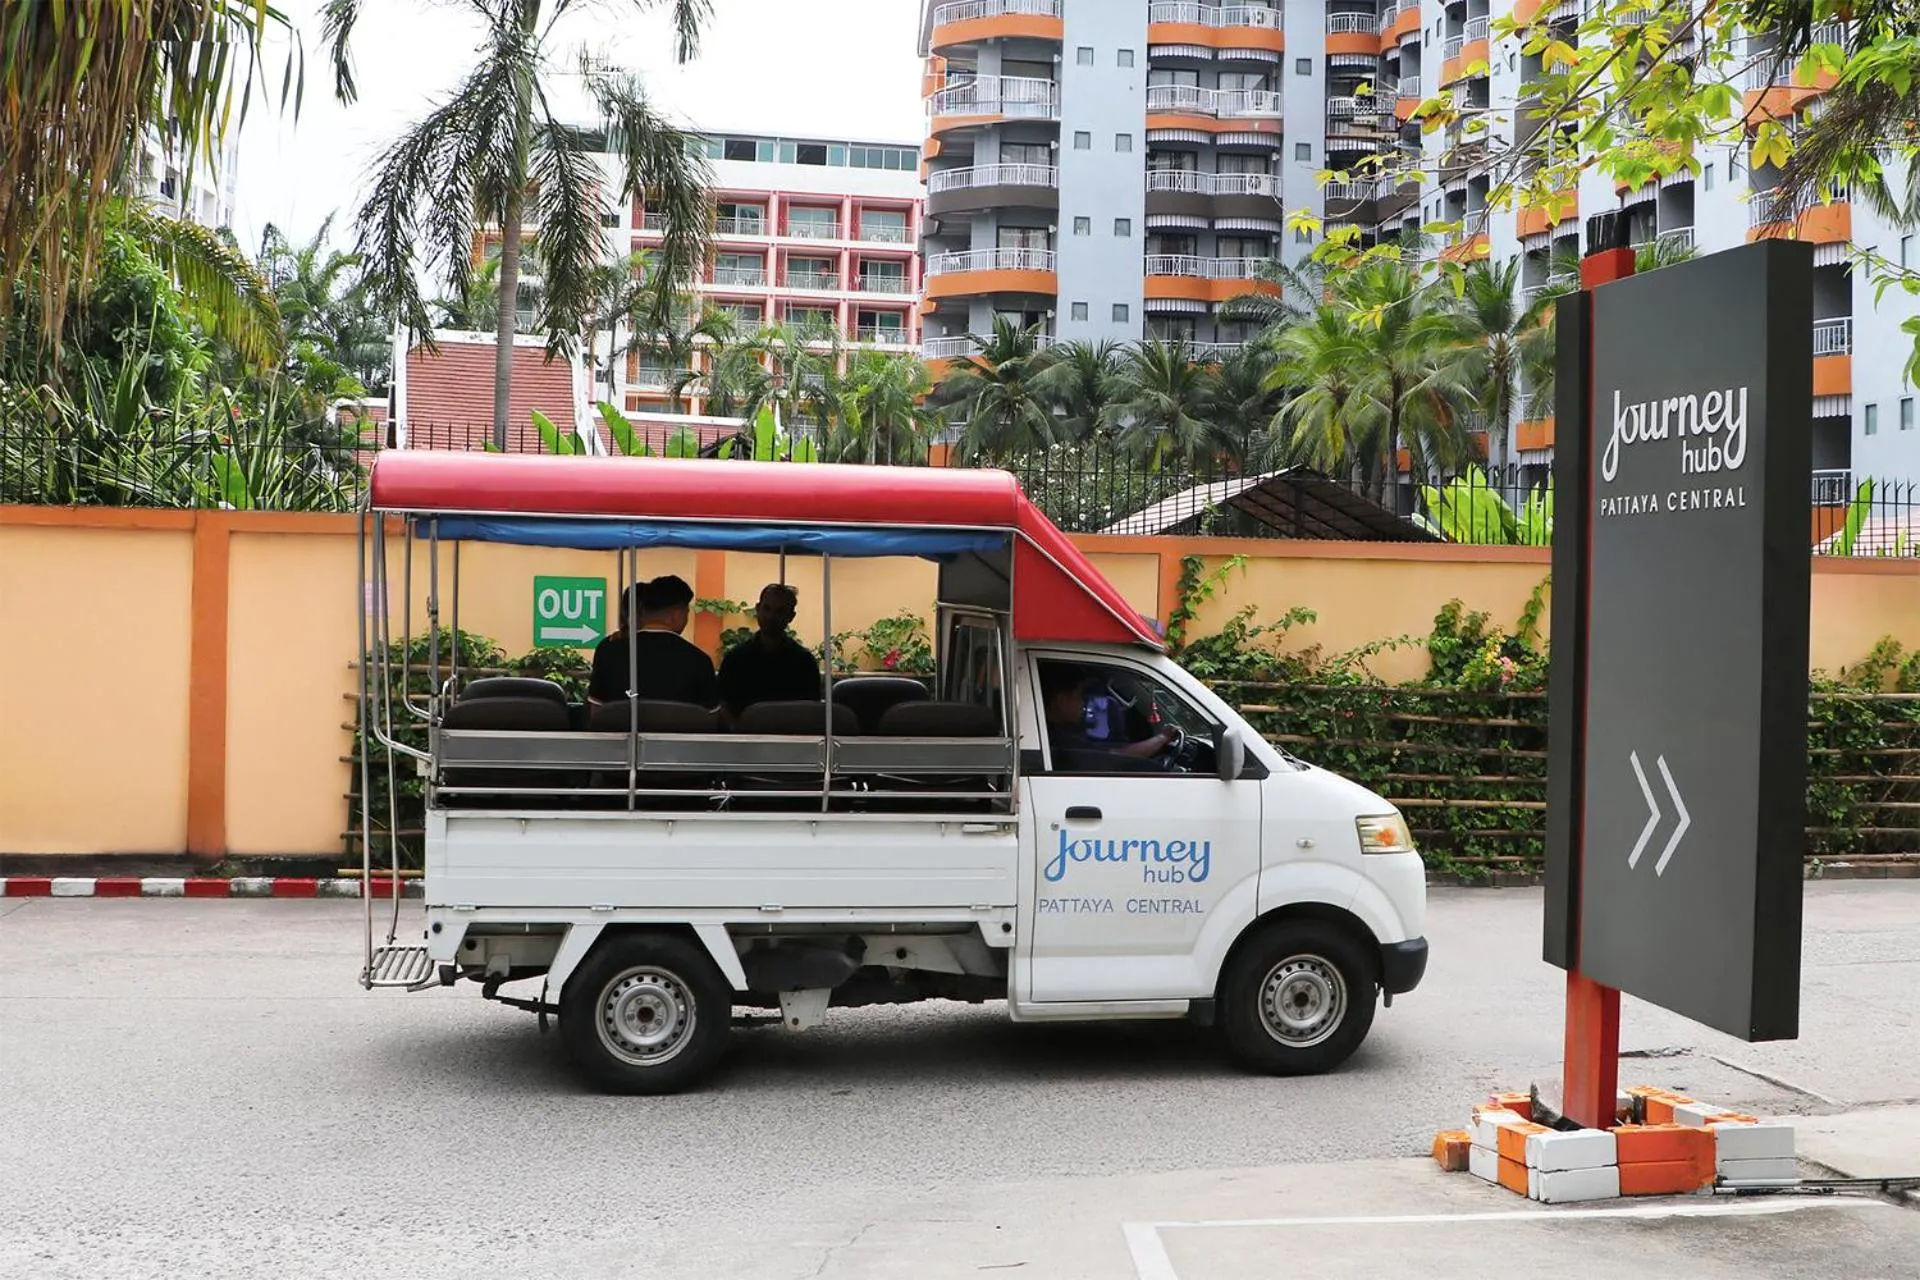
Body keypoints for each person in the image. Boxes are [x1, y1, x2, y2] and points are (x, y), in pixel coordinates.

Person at [587, 574, 719, 709]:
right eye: (687, 613)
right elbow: (711, 718)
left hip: (619, 729)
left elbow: (596, 712)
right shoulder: (699, 660)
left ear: (643, 612)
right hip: (677, 730)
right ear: (676, 615)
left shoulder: (609, 652)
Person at [718, 583, 821, 718]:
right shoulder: (735, 659)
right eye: (767, 609)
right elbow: (724, 709)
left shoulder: (804, 662)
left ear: (791, 616)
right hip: (745, 736)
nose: (771, 617)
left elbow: (810, 712)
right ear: (757, 609)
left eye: (780, 611)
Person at [1040, 666, 1175, 763]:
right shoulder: (1060, 739)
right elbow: (1116, 757)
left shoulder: (1057, 730)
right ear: (1061, 700)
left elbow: (1107, 749)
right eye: (1079, 696)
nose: (1083, 703)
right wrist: (1162, 738)